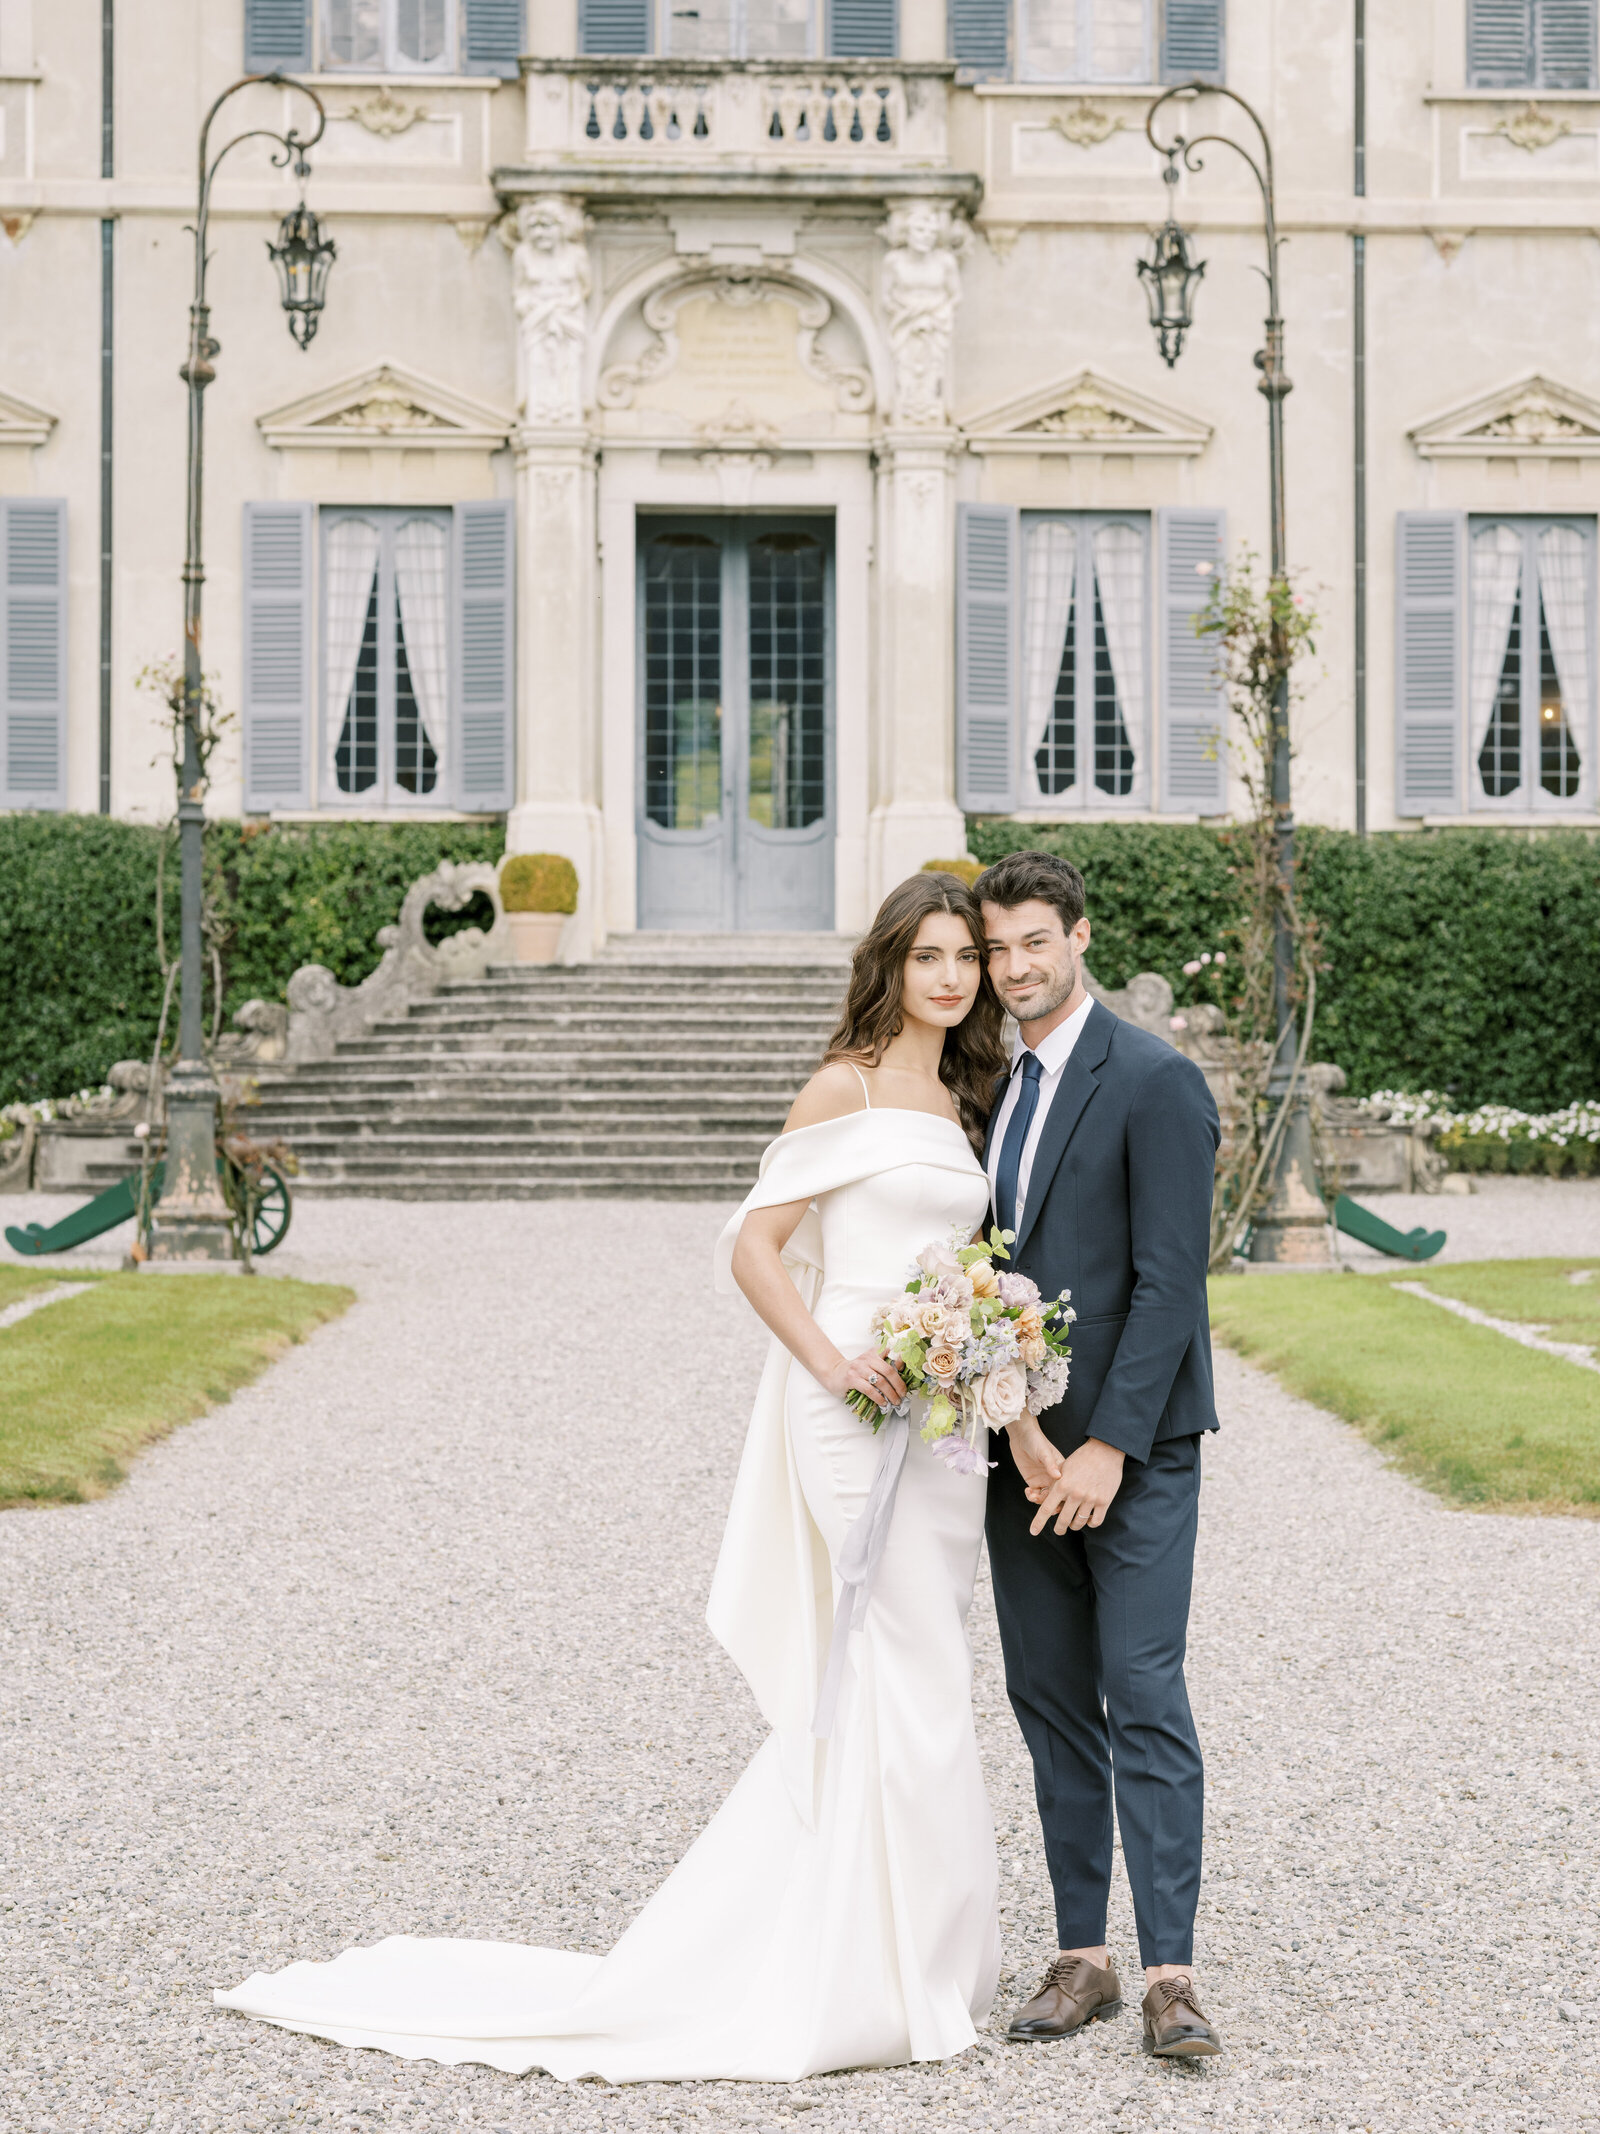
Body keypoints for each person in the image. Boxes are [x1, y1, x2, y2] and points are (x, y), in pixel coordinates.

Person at [214, 872, 1019, 2081]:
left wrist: (973, 1345)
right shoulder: (840, 1085)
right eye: (929, 957)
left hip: (944, 1415)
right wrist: (836, 1361)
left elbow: (962, 1253)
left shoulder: (966, 1098)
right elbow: (753, 1247)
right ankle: (860, 1971)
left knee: (930, 1662)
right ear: (890, 965)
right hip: (850, 1403)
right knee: (883, 1655)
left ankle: (922, 1959)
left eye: (964, 957)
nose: (951, 977)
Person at [975, 850, 1223, 2059]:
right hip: (1015, 1457)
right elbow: (983, 1277)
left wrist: (1109, 1447)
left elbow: (1173, 1281)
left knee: (1145, 1697)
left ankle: (1172, 1972)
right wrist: (1018, 1426)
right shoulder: (988, 1084)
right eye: (994, 948)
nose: (1013, 966)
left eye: (1033, 940)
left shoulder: (1154, 1079)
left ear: (1077, 933)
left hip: (1134, 1456)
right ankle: (1083, 1957)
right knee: (1052, 1705)